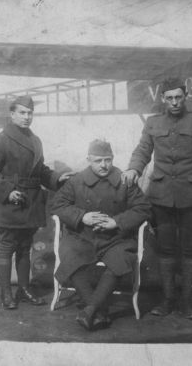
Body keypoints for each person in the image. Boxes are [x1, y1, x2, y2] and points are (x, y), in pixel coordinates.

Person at [122, 77, 192, 320]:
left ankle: (187, 304)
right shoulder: (154, 123)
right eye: (169, 98)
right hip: (162, 197)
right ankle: (167, 301)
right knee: (165, 250)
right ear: (163, 99)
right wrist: (134, 168)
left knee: (190, 251)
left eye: (178, 97)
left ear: (185, 97)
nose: (174, 102)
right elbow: (143, 150)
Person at [51, 139, 151, 331]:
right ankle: (97, 311)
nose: (104, 165)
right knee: (71, 256)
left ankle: (89, 310)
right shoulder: (77, 180)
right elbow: (57, 205)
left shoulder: (124, 180)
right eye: (98, 161)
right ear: (89, 160)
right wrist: (82, 216)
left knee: (120, 259)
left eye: (108, 160)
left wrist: (117, 222)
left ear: (113, 159)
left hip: (115, 239)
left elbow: (143, 208)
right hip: (82, 236)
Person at [0, 95, 74, 310]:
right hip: (11, 204)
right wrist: (9, 192)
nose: (27, 117)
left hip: (31, 203)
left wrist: (56, 178)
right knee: (7, 247)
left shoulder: (35, 140)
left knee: (25, 248)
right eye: (22, 112)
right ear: (12, 114)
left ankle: (24, 289)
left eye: (30, 113)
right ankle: (6, 293)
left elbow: (40, 170)